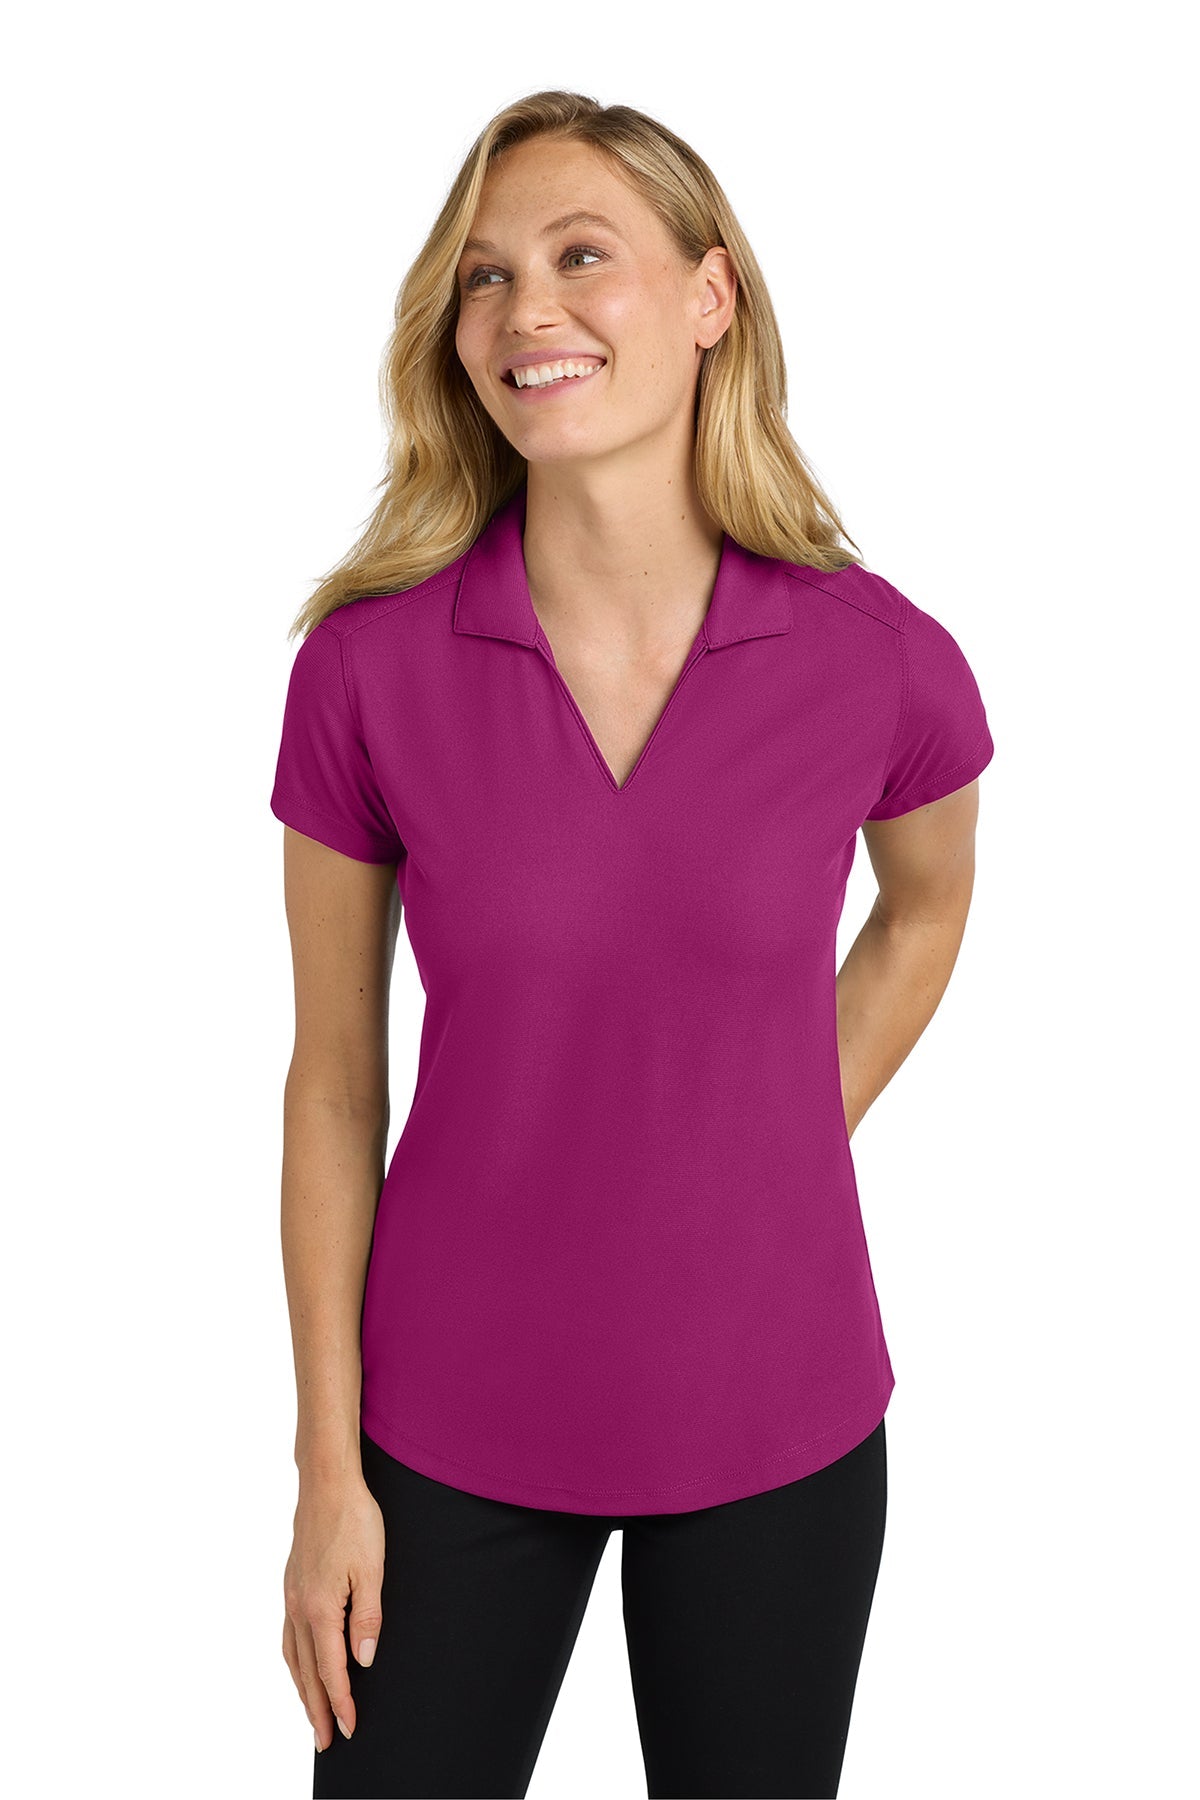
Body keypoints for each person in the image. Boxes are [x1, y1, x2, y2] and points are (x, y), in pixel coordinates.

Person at [270, 89, 994, 1800]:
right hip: (440, 1425)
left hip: (776, 1410)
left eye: (580, 255)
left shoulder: (877, 658)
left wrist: (773, 1125)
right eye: (485, 275)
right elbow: (333, 1085)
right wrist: (324, 1473)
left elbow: (928, 904)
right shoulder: (369, 669)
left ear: (710, 295)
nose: (527, 308)